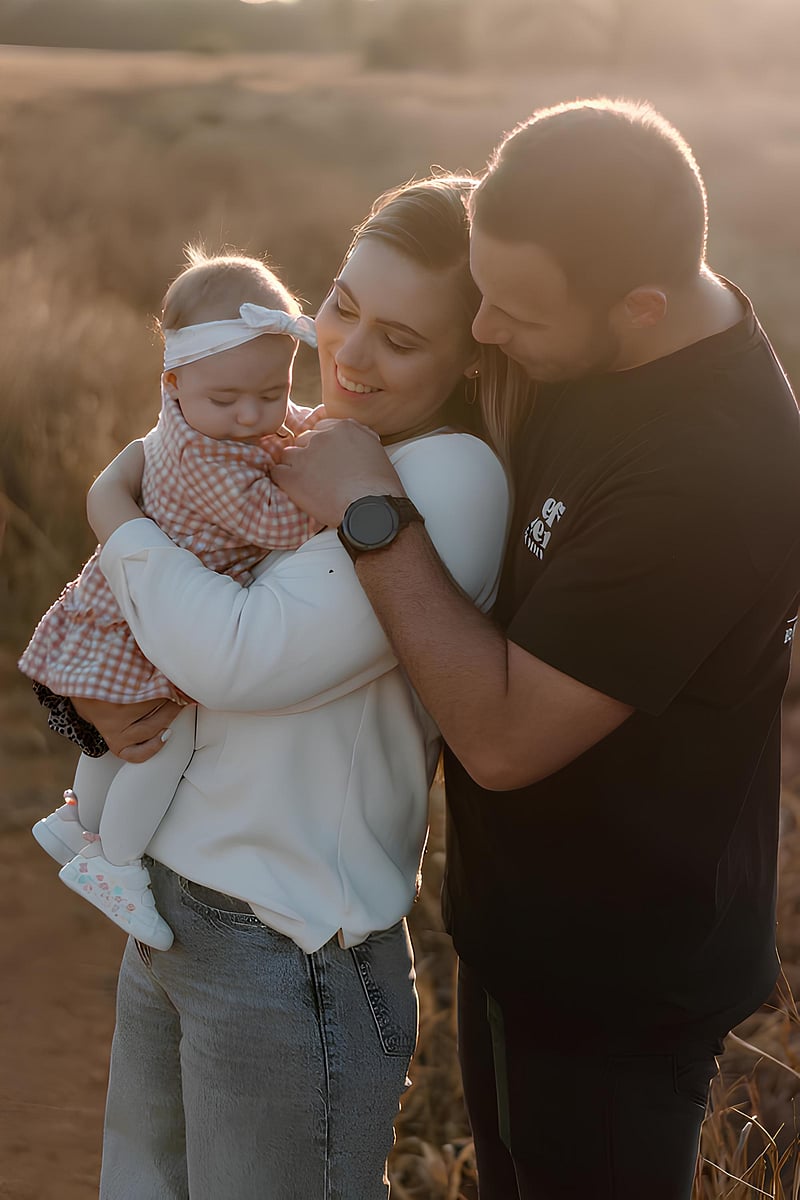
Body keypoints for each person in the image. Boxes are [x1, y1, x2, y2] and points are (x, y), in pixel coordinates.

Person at [268, 100, 800, 1199]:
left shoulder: (712, 475)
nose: (488, 334)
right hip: (517, 932)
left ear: (639, 307)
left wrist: (371, 511)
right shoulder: (584, 317)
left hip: (621, 980)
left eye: (511, 314)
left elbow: (505, 739)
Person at [68, 176, 520, 1198]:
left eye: (401, 340)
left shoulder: (445, 478)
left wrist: (113, 511)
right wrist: (88, 696)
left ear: (469, 356)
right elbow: (178, 557)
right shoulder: (313, 434)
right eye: (342, 305)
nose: (349, 353)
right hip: (180, 911)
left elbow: (233, 655)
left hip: (289, 951)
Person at [19, 249, 321, 951]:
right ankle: (116, 864)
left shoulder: (193, 408)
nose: (254, 416)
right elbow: (279, 524)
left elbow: (262, 401)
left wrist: (303, 418)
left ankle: (78, 822)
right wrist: (336, 493)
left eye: (272, 393)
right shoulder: (206, 460)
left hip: (132, 606)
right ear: (175, 383)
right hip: (149, 619)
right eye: (228, 400)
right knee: (160, 740)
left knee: (121, 735)